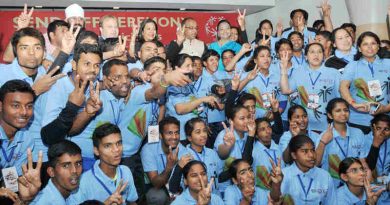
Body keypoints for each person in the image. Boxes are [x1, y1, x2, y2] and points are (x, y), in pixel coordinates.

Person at [40, 44, 103, 171]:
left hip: (73, 156)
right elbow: (49, 137)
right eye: (87, 64)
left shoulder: (92, 85)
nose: (93, 69)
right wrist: (72, 106)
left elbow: (69, 130)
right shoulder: (57, 85)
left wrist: (87, 113)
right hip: (44, 157)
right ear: (74, 65)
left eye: (97, 65)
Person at [68, 123, 138, 205]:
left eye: (118, 143)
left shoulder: (126, 171)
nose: (116, 149)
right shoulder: (82, 183)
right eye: (108, 146)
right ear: (96, 150)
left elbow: (132, 202)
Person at [280, 42, 341, 132]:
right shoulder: (298, 72)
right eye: (312, 52)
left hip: (327, 125)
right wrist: (284, 70)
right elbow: (285, 90)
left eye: (319, 52)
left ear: (323, 56)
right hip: (303, 125)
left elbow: (339, 99)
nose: (316, 55)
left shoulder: (334, 73)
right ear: (305, 56)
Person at [339, 31, 390, 134]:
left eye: (373, 43)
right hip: (358, 120)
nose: (370, 47)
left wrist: (385, 108)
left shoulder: (388, 63)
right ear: (359, 48)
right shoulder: (352, 66)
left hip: (385, 121)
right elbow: (343, 87)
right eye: (365, 44)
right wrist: (354, 104)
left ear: (378, 46)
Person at [270, 135, 337, 205]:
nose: (311, 155)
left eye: (313, 150)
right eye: (305, 151)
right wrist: (276, 185)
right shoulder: (284, 174)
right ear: (294, 155)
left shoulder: (325, 176)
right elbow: (275, 199)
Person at [315, 98, 367, 187]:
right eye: (338, 111)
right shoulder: (324, 136)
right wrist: (323, 142)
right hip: (331, 185)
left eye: (346, 110)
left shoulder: (358, 133)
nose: (343, 113)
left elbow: (363, 161)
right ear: (330, 115)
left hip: (355, 183)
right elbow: (316, 163)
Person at [165, 54, 218, 140]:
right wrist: (203, 99)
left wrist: (202, 124)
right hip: (181, 135)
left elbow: (194, 108)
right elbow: (180, 109)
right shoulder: (174, 86)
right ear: (177, 68)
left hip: (192, 132)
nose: (191, 69)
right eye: (187, 66)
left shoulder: (188, 84)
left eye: (191, 65)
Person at [141, 116, 191, 205]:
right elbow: (156, 183)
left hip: (175, 185)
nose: (174, 137)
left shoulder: (183, 150)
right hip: (156, 186)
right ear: (160, 135)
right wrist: (169, 166)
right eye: (169, 133)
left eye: (177, 133)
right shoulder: (148, 149)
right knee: (157, 196)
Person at [169, 118, 221, 194]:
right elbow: (173, 188)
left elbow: (219, 177)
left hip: (213, 198)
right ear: (189, 137)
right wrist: (179, 167)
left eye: (204, 131)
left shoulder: (212, 153)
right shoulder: (183, 156)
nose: (203, 135)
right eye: (198, 132)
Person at [214, 104, 256, 195]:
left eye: (248, 117)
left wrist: (251, 135)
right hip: (225, 189)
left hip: (243, 185)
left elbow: (246, 161)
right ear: (231, 121)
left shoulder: (247, 135)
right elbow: (222, 154)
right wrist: (228, 146)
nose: (247, 121)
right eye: (242, 118)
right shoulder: (224, 135)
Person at [240, 46, 286, 119]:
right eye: (262, 56)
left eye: (268, 56)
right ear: (255, 60)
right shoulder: (247, 76)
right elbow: (234, 92)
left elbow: (283, 99)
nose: (266, 59)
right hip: (252, 120)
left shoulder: (277, 76)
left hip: (272, 121)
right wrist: (247, 79)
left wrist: (275, 115)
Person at [30, 140, 83, 205]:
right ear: (51, 172)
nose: (74, 171)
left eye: (78, 164)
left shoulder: (80, 191)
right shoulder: (43, 202)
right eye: (66, 166)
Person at [0, 80, 35, 175]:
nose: (24, 112)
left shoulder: (27, 139)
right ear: (0, 106)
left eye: (29, 106)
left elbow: (10, 180)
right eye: (16, 106)